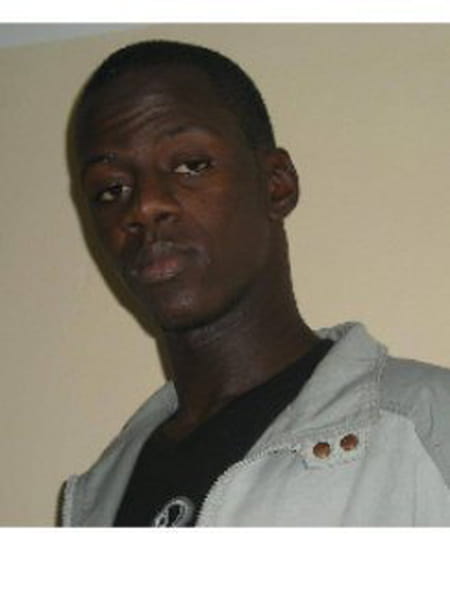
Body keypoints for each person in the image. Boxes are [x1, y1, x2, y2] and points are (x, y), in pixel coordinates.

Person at [60, 40, 450, 527]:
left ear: (276, 184)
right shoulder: (98, 497)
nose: (143, 207)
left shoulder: (428, 428)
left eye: (190, 165)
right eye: (110, 189)